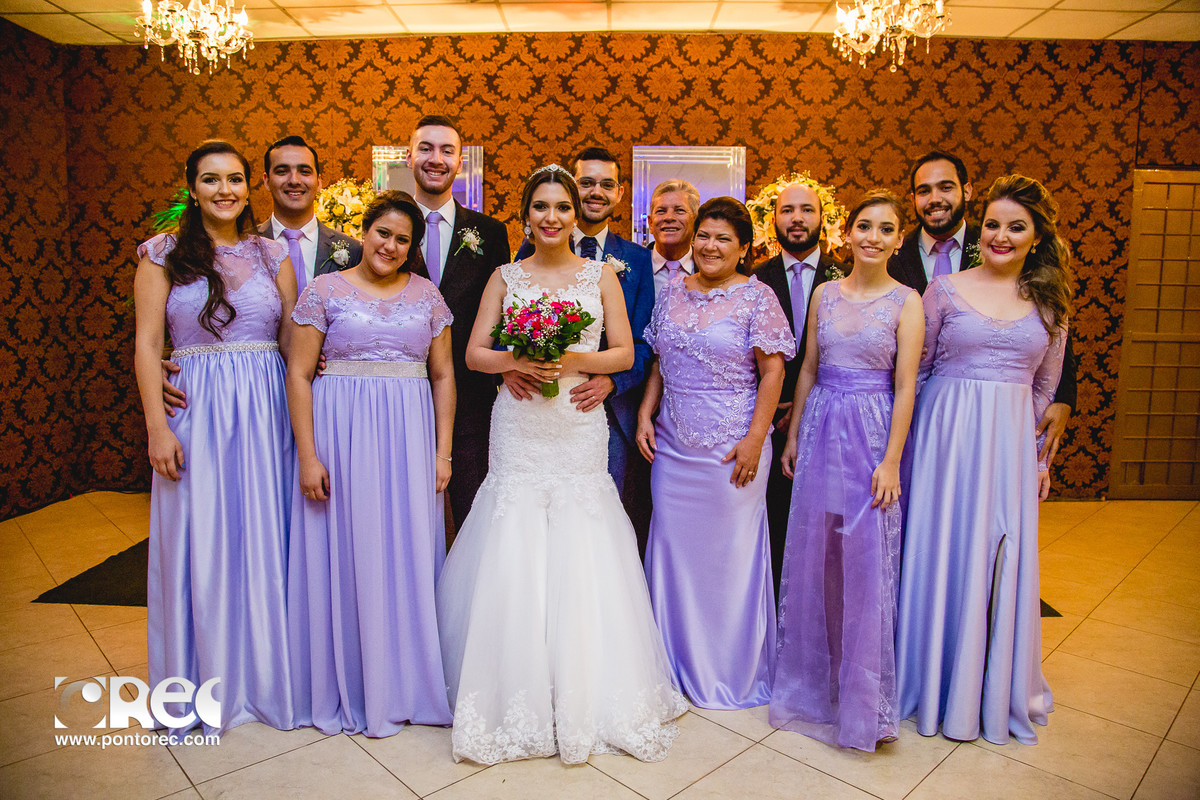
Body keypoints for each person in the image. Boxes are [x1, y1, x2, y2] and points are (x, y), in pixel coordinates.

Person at [435, 165, 685, 765]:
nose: (551, 217)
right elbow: (473, 353)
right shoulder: (504, 275)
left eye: (562, 207)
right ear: (526, 215)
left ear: (576, 216)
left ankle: (585, 687)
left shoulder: (602, 276)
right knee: (514, 532)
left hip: (576, 421)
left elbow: (622, 352)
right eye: (540, 207)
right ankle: (509, 682)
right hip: (520, 422)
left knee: (582, 534)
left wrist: (569, 358)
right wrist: (514, 362)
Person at [895, 175, 1072, 745]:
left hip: (1009, 446)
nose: (1000, 235)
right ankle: (928, 678)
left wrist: (1037, 461)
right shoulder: (944, 291)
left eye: (1016, 227)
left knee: (1000, 555)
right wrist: (906, 449)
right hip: (944, 439)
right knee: (942, 548)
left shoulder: (1051, 304)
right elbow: (916, 372)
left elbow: (1045, 391)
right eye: (993, 224)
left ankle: (990, 688)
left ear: (1037, 236)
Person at [132, 140, 297, 735]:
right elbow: (147, 344)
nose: (224, 190)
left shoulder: (272, 253)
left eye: (234, 179)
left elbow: (293, 340)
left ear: (250, 188)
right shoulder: (161, 254)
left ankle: (265, 680)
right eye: (210, 179)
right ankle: (200, 682)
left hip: (267, 409)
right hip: (196, 408)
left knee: (265, 536)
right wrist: (157, 428)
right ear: (191, 188)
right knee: (199, 539)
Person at [285, 191, 456, 737]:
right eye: (383, 233)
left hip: (408, 440)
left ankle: (404, 681)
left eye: (403, 239)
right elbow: (298, 374)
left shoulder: (428, 296)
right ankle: (349, 680)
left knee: (404, 550)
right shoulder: (323, 290)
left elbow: (443, 376)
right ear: (364, 232)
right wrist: (308, 456)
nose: (391, 246)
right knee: (347, 549)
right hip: (340, 438)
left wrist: (442, 453)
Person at [770, 191, 922, 751]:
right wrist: (793, 436)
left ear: (898, 240)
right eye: (864, 226)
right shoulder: (825, 294)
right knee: (820, 557)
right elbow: (808, 368)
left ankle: (865, 700)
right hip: (821, 426)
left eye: (885, 229)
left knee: (867, 560)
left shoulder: (907, 301)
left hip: (873, 432)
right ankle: (819, 683)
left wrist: (891, 460)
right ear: (848, 232)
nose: (872, 237)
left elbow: (905, 385)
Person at [637, 197, 796, 709]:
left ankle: (730, 670)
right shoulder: (672, 293)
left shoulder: (758, 297)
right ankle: (671, 665)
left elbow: (773, 372)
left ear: (743, 248)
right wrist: (645, 413)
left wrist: (756, 438)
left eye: (723, 238)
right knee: (674, 554)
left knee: (729, 560)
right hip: (673, 448)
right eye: (703, 235)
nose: (709, 246)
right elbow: (659, 362)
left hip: (733, 449)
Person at [888, 151, 1076, 466]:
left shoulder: (1002, 244)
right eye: (924, 190)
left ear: (967, 190)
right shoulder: (890, 254)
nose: (935, 198)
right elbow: (914, 369)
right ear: (913, 198)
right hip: (942, 420)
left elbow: (1050, 353)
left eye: (945, 187)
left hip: (1010, 426)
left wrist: (1063, 400)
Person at [159, 135, 361, 417]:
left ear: (319, 181)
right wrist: (160, 366)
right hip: (238, 395)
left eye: (304, 171)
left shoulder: (354, 250)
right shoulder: (235, 245)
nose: (294, 180)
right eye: (282, 171)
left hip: (334, 392)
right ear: (265, 181)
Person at [512, 147, 655, 497]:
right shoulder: (531, 248)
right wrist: (510, 368)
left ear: (619, 193)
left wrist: (612, 382)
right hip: (538, 403)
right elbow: (511, 318)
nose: (596, 192)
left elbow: (644, 343)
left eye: (606, 184)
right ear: (573, 190)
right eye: (587, 183)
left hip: (609, 411)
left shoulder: (637, 258)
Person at [408, 114, 512, 530]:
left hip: (472, 403)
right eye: (426, 148)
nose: (436, 159)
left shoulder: (490, 232)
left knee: (474, 522)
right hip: (400, 396)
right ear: (409, 156)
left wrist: (507, 370)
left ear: (459, 162)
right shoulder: (387, 229)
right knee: (405, 519)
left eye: (446, 151)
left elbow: (506, 314)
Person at [752, 179, 849, 599]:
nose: (797, 219)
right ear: (773, 219)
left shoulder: (847, 275)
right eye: (787, 210)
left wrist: (807, 406)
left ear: (822, 218)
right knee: (774, 522)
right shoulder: (754, 278)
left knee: (828, 525)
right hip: (770, 421)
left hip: (833, 417)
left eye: (806, 210)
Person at [648, 179, 701, 296]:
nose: (669, 217)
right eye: (661, 211)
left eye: (679, 210)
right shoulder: (632, 266)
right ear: (650, 223)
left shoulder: (709, 268)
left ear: (695, 221)